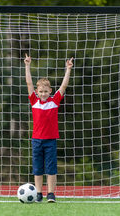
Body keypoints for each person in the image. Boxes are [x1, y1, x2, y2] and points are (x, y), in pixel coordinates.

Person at [24, 53, 74, 203]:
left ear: (50, 91)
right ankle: (38, 193)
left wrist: (68, 69)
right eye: (41, 92)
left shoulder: (55, 101)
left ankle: (50, 194)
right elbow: (29, 84)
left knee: (51, 168)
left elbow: (64, 85)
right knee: (38, 169)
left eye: (46, 91)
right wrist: (27, 65)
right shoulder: (34, 101)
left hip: (51, 140)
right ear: (37, 92)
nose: (43, 94)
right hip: (36, 140)